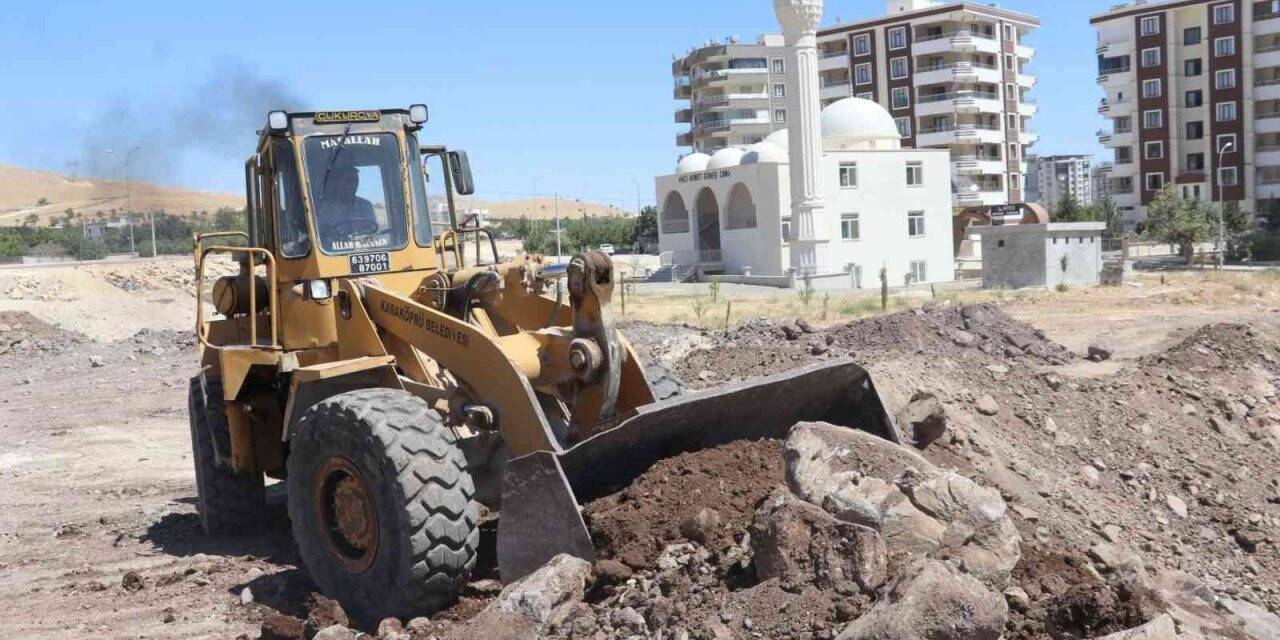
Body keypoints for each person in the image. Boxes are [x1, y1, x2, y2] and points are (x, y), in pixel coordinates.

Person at [314, 164, 378, 250]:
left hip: (362, 250)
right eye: (348, 181)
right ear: (338, 183)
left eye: (355, 181)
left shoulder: (366, 206)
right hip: (333, 253)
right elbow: (318, 236)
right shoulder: (325, 208)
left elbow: (372, 232)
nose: (352, 185)